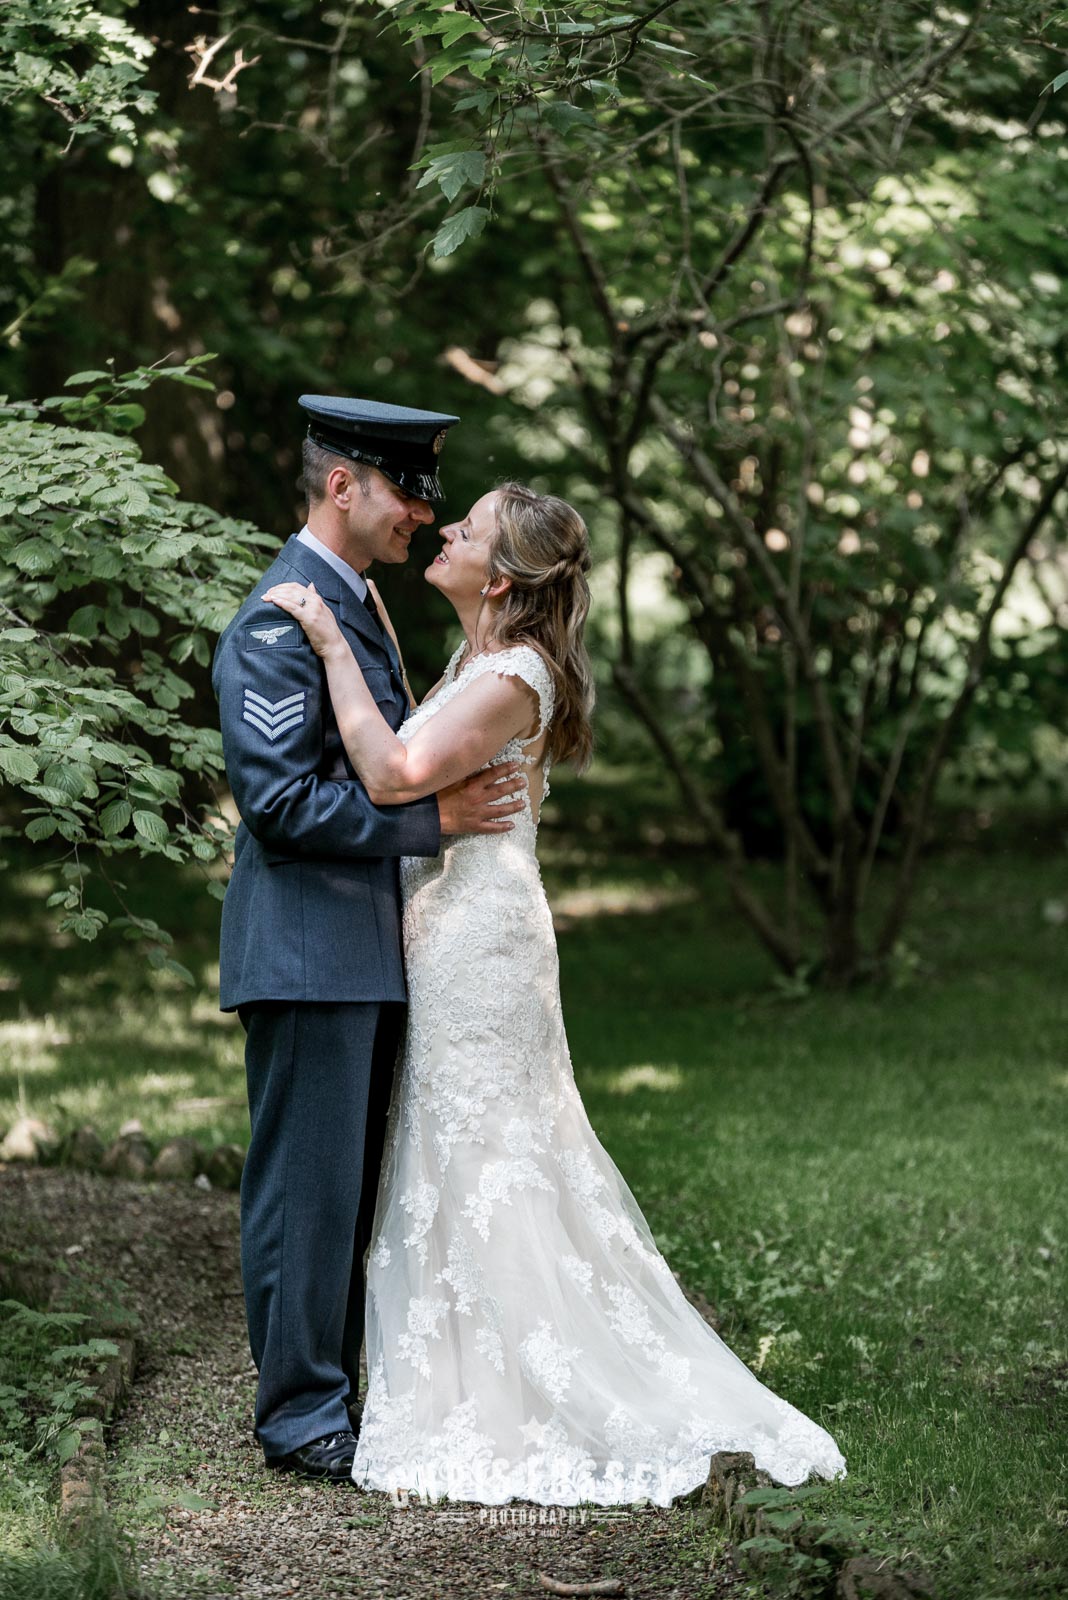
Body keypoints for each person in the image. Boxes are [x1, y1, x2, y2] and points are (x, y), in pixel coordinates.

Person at [262, 479, 848, 1506]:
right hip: (447, 931)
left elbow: (394, 773)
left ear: (499, 578)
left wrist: (329, 641)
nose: (445, 528)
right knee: (456, 1144)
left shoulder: (516, 672)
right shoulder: (474, 659)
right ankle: (467, 1364)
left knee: (494, 1146)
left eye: (468, 528)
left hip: (479, 943)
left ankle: (540, 1374)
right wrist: (376, 642)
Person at [211, 396, 528, 1483]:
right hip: (307, 951)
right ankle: (300, 1414)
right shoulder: (276, 623)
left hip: (363, 950)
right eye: (405, 491)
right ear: (341, 485)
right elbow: (279, 805)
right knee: (307, 1190)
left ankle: (337, 1388)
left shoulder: (357, 607)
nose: (422, 513)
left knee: (345, 1188)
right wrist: (429, 821)